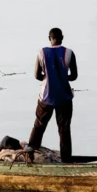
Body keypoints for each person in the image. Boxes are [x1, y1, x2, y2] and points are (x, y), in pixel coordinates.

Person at [25, 28, 78, 163]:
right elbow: (74, 76)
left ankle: (29, 155)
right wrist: (63, 78)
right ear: (62, 37)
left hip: (46, 97)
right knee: (64, 129)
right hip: (64, 97)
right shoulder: (69, 53)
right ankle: (66, 161)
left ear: (49, 38)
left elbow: (37, 75)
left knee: (39, 125)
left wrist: (47, 77)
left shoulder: (41, 53)